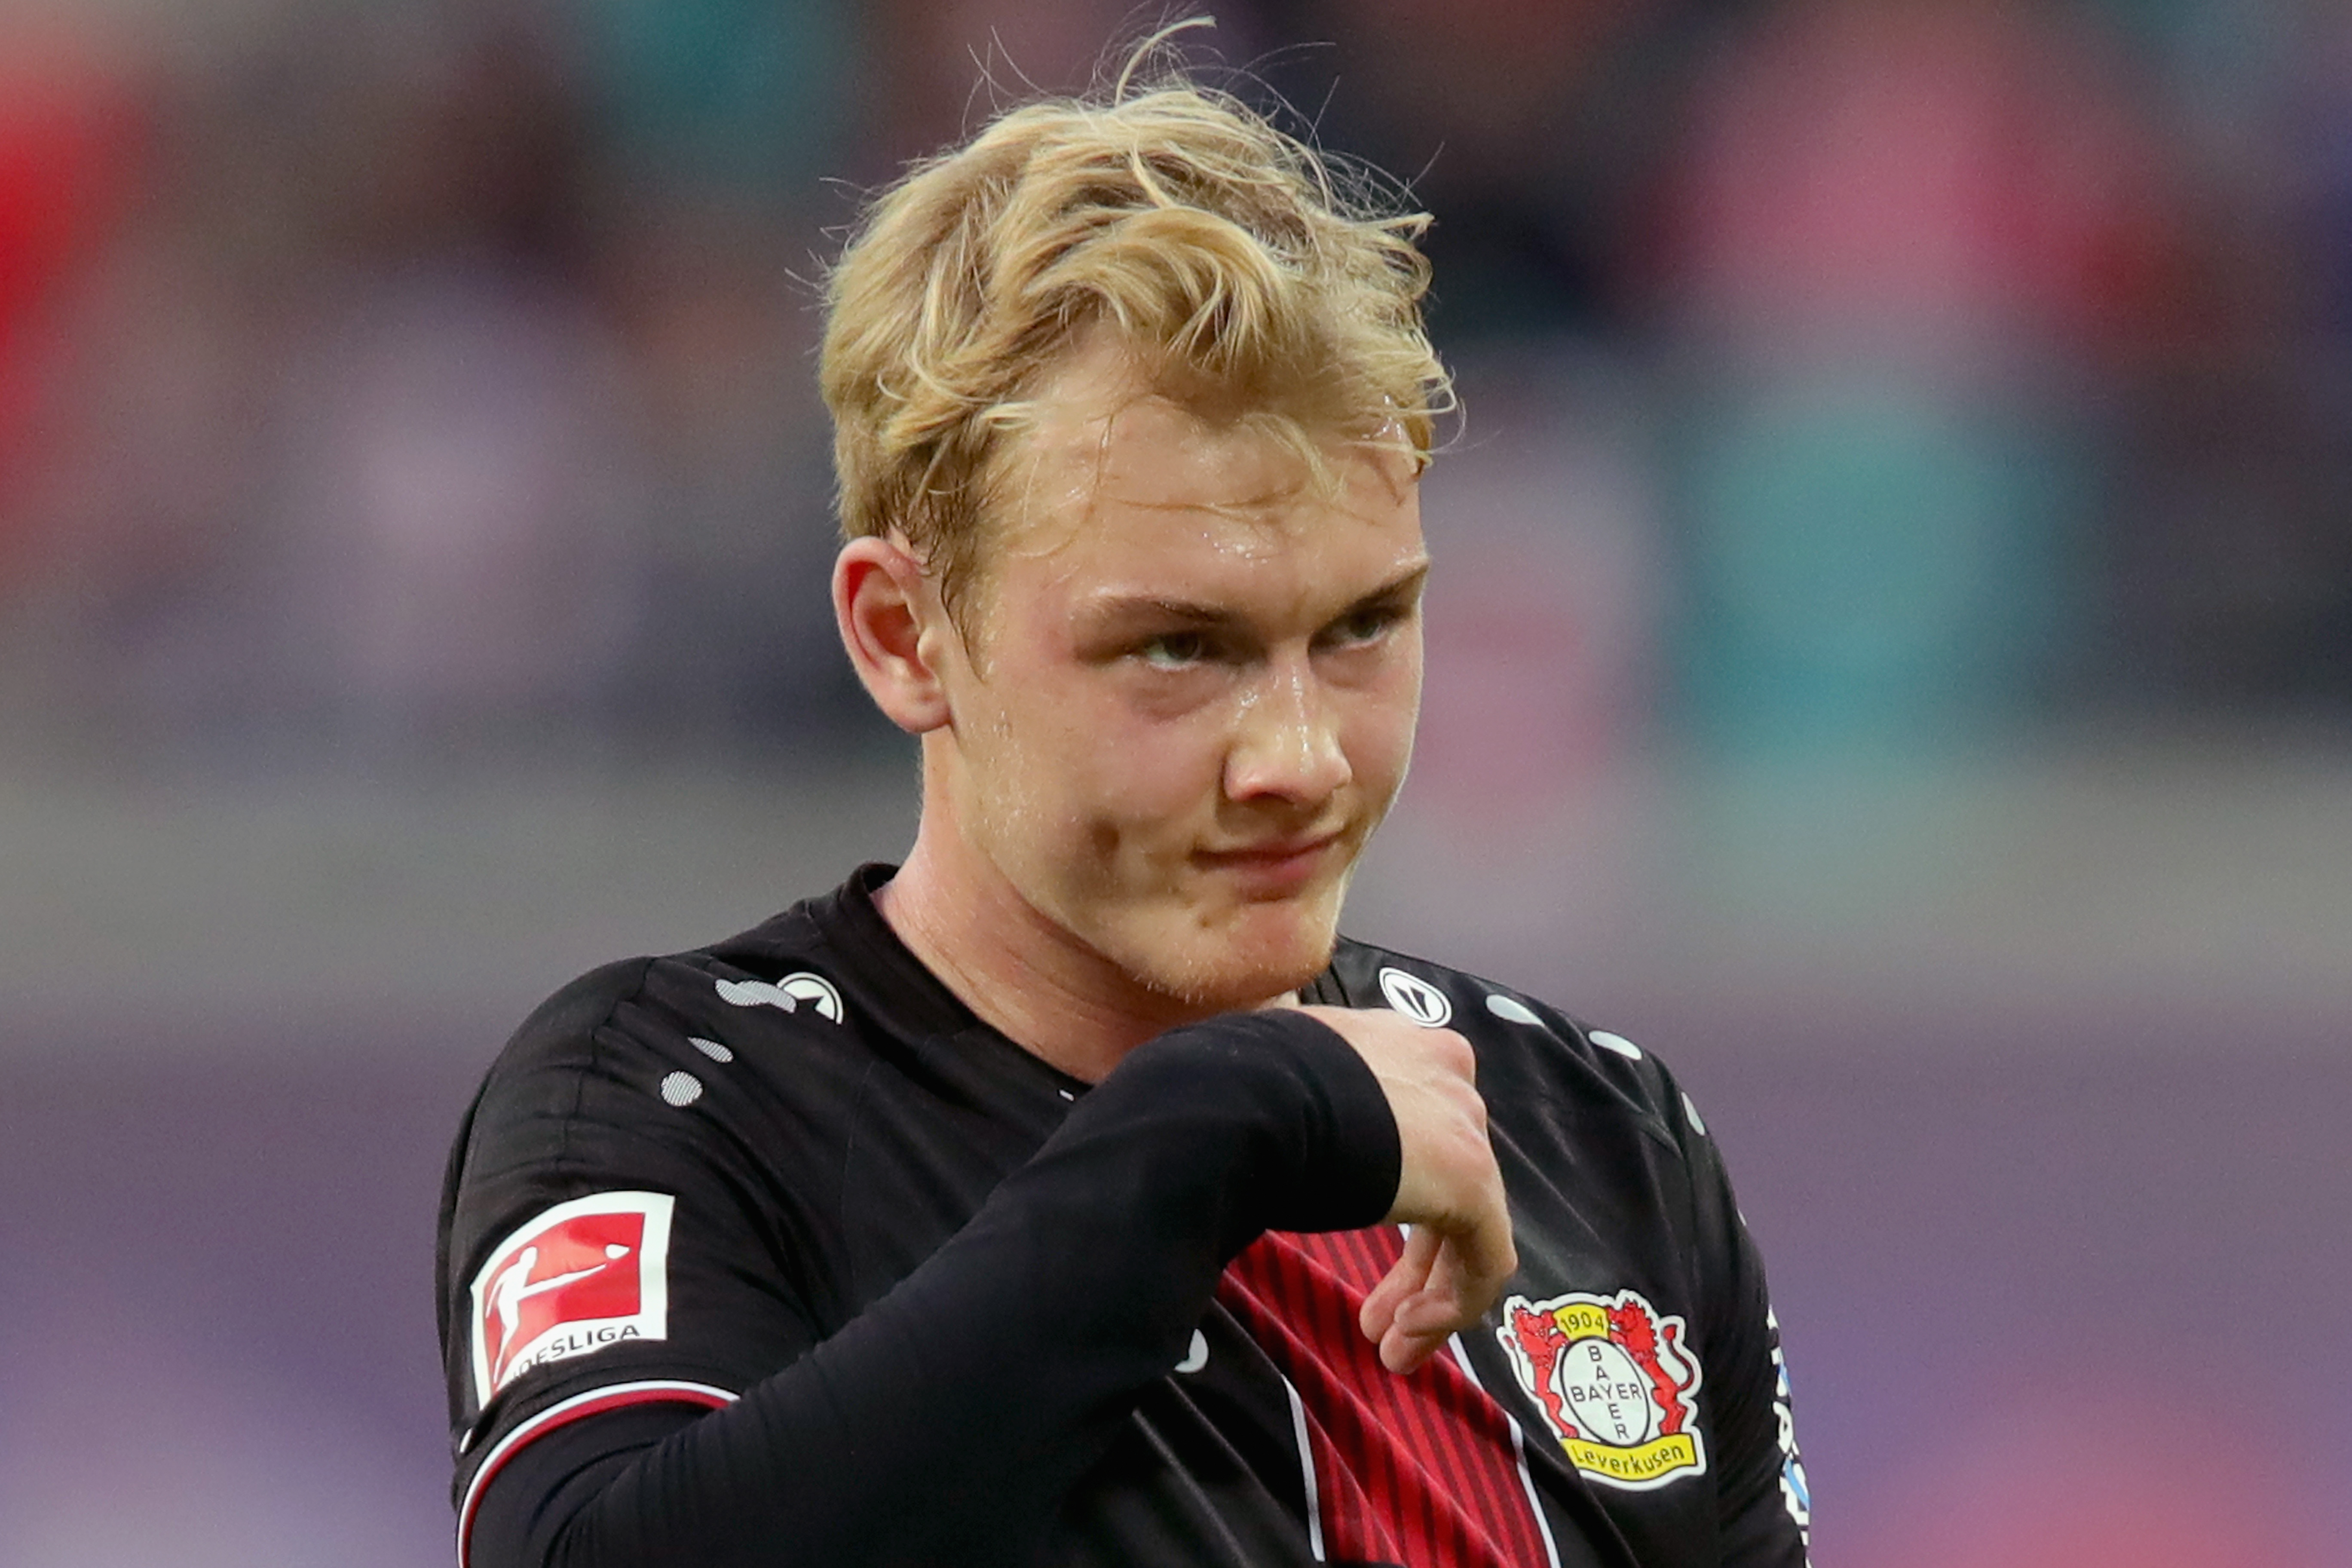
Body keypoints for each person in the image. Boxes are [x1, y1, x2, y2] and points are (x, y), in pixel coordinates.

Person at [435, 38, 1812, 1568]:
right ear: (907, 637)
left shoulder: (1598, 1140)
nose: (1299, 754)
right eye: (1178, 647)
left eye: (1361, 627)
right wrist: (1225, 1122)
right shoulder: (684, 1103)